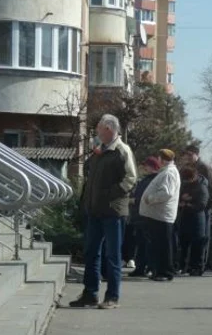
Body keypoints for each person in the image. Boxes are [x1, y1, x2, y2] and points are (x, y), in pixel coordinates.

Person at [70, 114, 137, 310]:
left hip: (113, 211)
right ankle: (90, 294)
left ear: (109, 129)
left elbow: (131, 179)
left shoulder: (121, 150)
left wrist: (110, 194)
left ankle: (112, 296)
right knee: (91, 252)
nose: (97, 131)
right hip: (95, 210)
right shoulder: (100, 151)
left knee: (112, 254)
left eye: (99, 128)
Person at [140, 149, 181, 282]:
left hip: (162, 215)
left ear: (162, 159)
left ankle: (165, 271)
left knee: (163, 245)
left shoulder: (169, 173)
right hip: (158, 214)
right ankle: (159, 270)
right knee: (158, 244)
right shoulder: (166, 172)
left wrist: (150, 198)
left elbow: (166, 193)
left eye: (158, 158)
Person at [182, 145, 212, 271]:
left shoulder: (204, 167)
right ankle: (187, 264)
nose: (187, 156)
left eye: (190, 154)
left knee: (202, 237)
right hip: (189, 207)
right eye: (186, 154)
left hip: (202, 207)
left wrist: (209, 205)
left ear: (196, 154)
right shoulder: (187, 168)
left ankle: (201, 263)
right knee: (188, 237)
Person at [128, 156, 161, 277]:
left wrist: (135, 201)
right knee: (140, 243)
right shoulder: (145, 179)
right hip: (139, 215)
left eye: (146, 165)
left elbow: (147, 197)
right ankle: (140, 267)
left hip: (147, 215)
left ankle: (150, 267)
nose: (144, 168)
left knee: (148, 243)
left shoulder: (155, 180)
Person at [177, 167, 210, 276]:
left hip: (197, 218)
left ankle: (197, 267)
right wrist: (183, 201)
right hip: (184, 217)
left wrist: (188, 203)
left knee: (197, 244)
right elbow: (180, 197)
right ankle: (182, 266)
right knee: (184, 243)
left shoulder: (201, 186)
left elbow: (202, 204)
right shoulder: (185, 185)